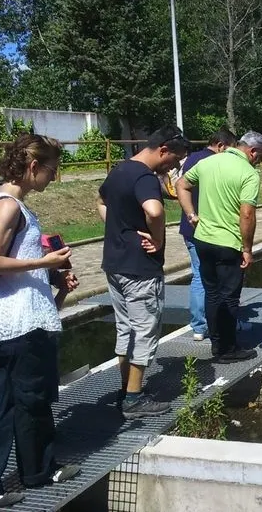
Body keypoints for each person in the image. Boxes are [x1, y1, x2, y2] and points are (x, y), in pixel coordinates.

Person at [0, 134, 81, 508]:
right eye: (51, 170)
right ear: (33, 167)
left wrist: (54, 280)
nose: (52, 177)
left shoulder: (5, 202)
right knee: (31, 400)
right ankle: (35, 473)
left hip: (9, 320)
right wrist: (43, 264)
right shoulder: (9, 206)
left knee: (1, 403)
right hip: (19, 324)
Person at [97, 125, 190, 419]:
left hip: (114, 264)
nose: (174, 167)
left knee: (125, 328)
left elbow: (100, 202)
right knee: (144, 330)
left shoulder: (120, 170)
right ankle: (134, 400)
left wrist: (121, 229)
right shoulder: (145, 177)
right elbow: (155, 211)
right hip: (140, 268)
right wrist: (158, 238)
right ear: (163, 149)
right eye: (174, 161)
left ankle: (126, 389)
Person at [176, 132, 262, 362]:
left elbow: (181, 184)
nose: (259, 161)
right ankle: (228, 349)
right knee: (229, 298)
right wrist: (247, 248)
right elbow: (247, 214)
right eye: (260, 157)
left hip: (203, 240)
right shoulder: (248, 173)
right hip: (229, 243)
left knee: (212, 294)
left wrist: (190, 214)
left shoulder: (208, 162)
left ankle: (217, 344)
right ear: (252, 151)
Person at [177, 129, 237, 341]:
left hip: (189, 225)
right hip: (208, 229)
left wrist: (189, 214)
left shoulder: (192, 158)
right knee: (213, 279)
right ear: (220, 145)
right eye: (230, 149)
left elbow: (181, 187)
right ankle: (215, 324)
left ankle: (199, 326)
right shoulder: (213, 162)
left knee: (198, 275)